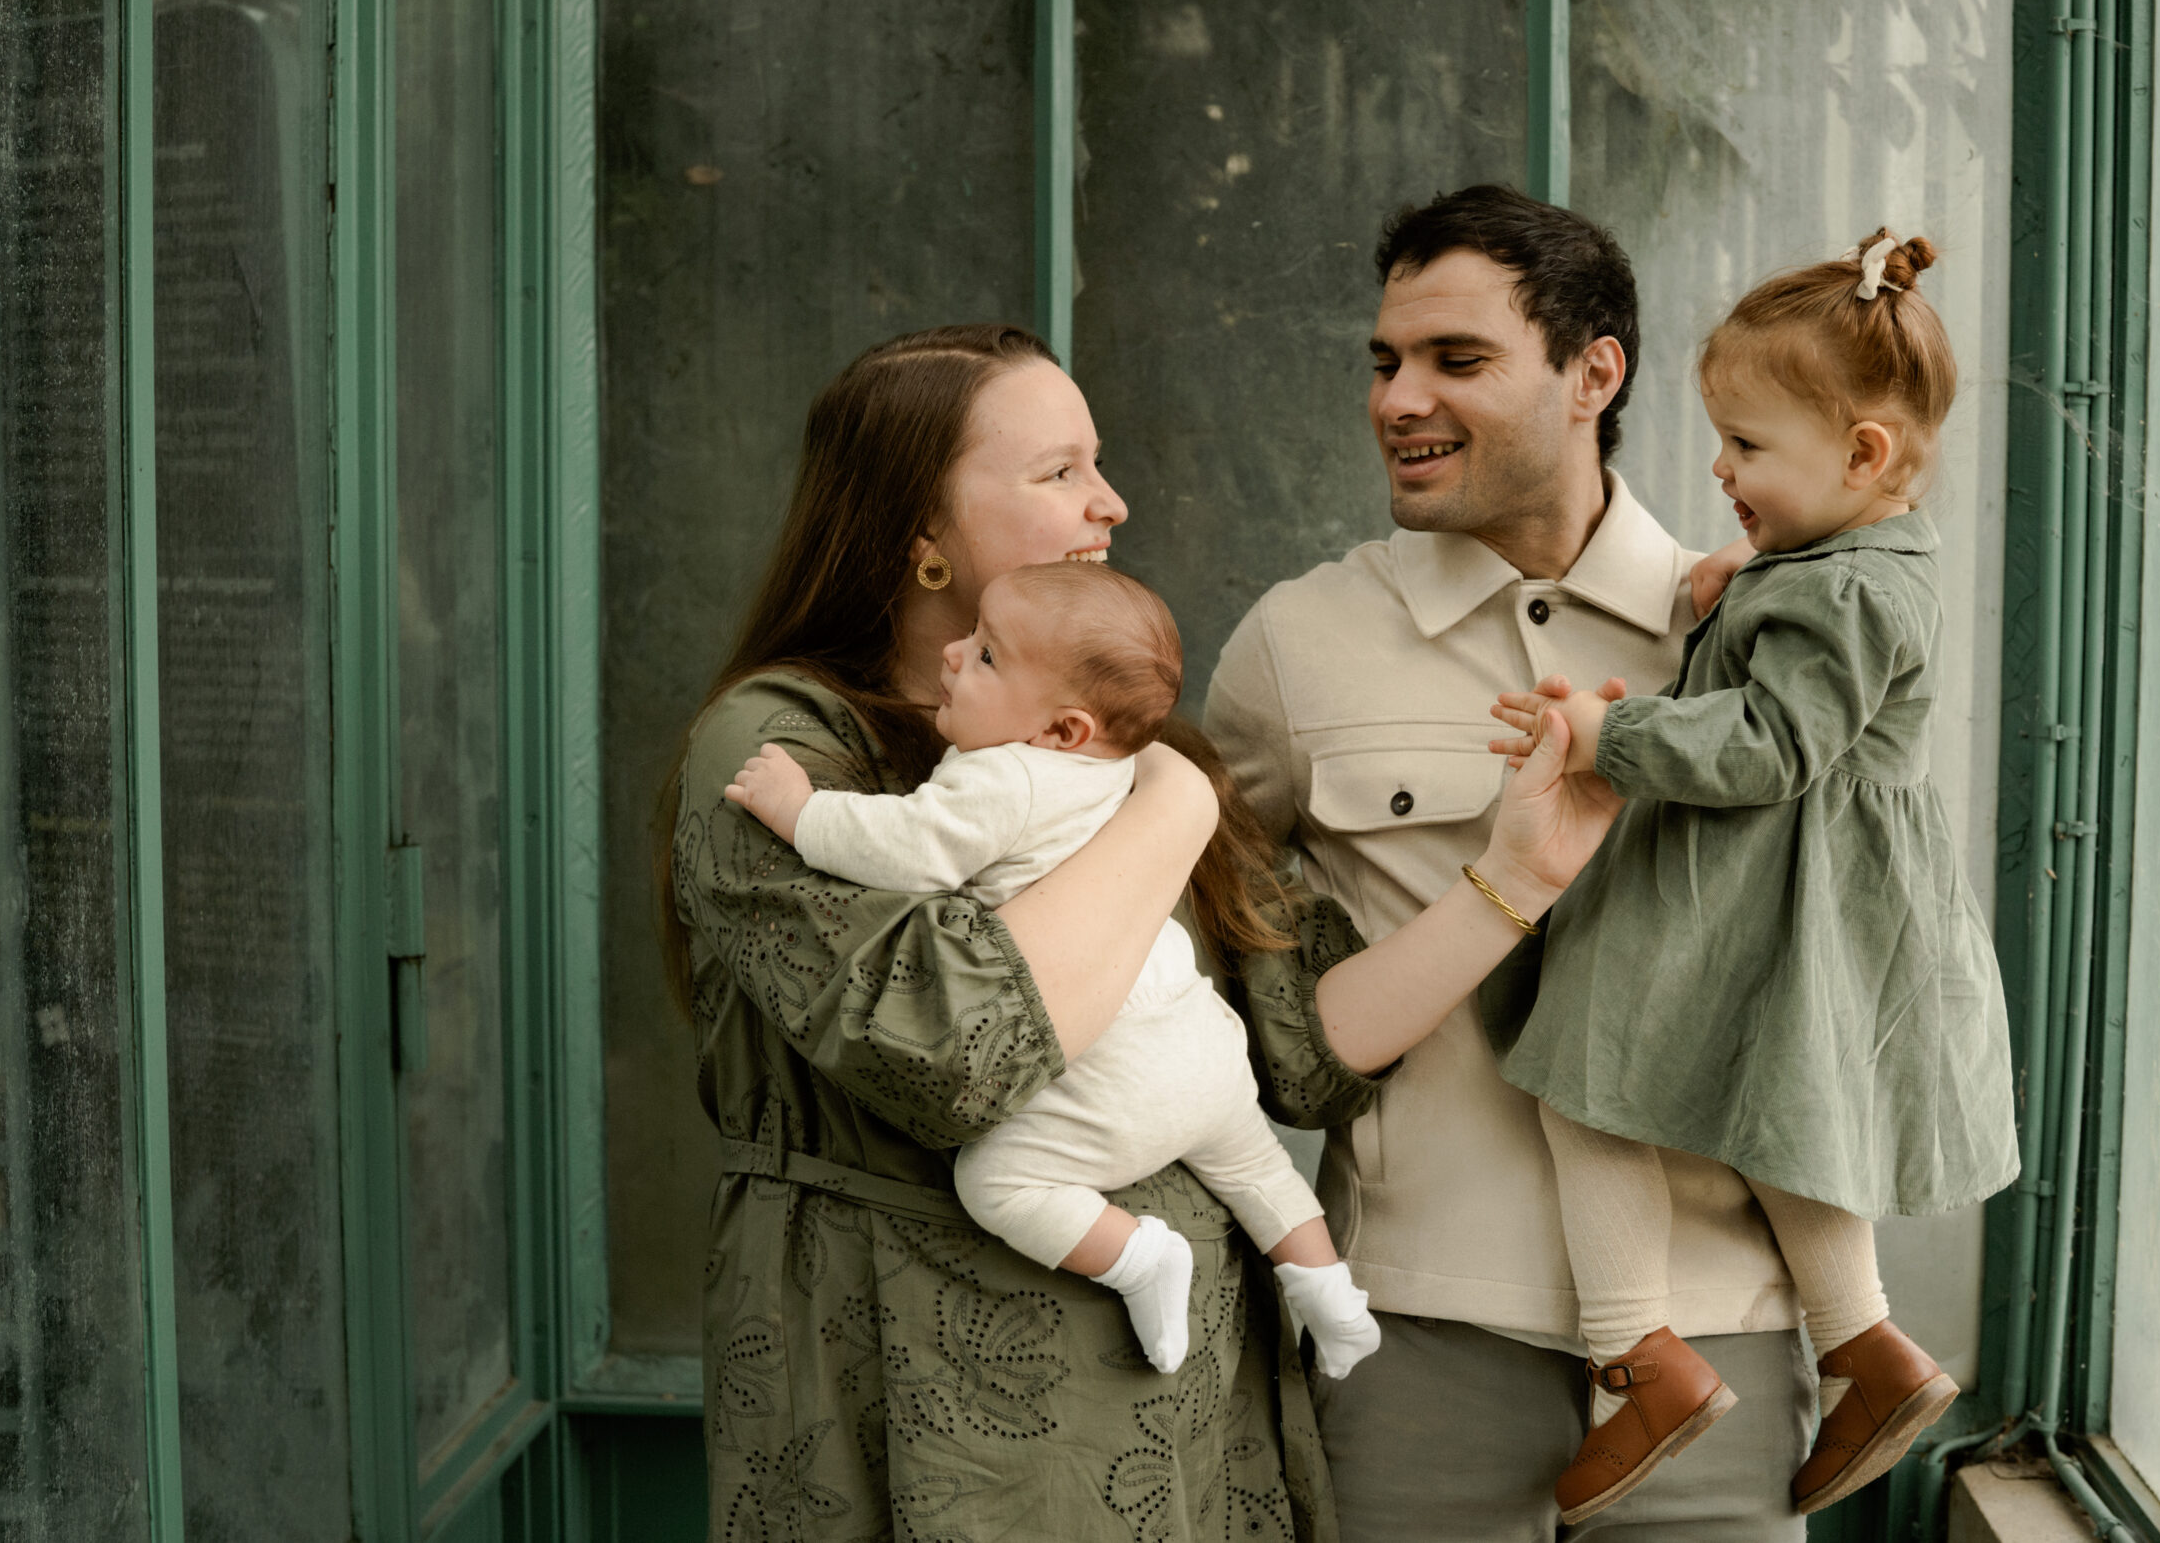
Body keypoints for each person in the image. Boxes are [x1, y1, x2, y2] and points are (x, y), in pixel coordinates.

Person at [664, 321, 1625, 1541]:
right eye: (1057, 472)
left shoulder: (1104, 738)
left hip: (1180, 1399)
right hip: (918, 1389)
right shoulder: (781, 752)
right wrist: (1168, 812)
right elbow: (957, 1056)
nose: (1109, 503)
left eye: (1097, 464)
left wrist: (1519, 877)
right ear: (918, 535)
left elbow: (1300, 1049)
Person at [1204, 185, 1809, 1542]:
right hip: (1420, 1330)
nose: (1397, 398)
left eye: (1455, 360)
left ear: (1595, 371)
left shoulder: (1763, 626)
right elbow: (1199, 982)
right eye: (1384, 362)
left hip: (1724, 1322)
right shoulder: (1295, 645)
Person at [1487, 231, 2019, 1522]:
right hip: (1816, 899)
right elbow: (1798, 657)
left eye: (1745, 447)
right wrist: (1745, 581)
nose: (1719, 469)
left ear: (1864, 454)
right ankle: (1867, 1343)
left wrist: (1606, 733)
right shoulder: (1866, 561)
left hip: (1768, 889)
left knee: (1584, 1080)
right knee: (1794, 1116)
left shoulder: (1832, 593)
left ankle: (1644, 1354)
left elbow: (1774, 743)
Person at [719, 560, 1379, 1380]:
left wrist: (801, 808)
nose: (956, 654)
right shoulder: (1126, 766)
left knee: (996, 1179)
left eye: (988, 655)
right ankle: (1332, 1297)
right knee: (1258, 1169)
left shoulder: (1007, 775)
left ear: (1063, 729)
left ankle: (1136, 1257)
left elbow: (908, 848)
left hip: (1118, 1071)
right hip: (1204, 1045)